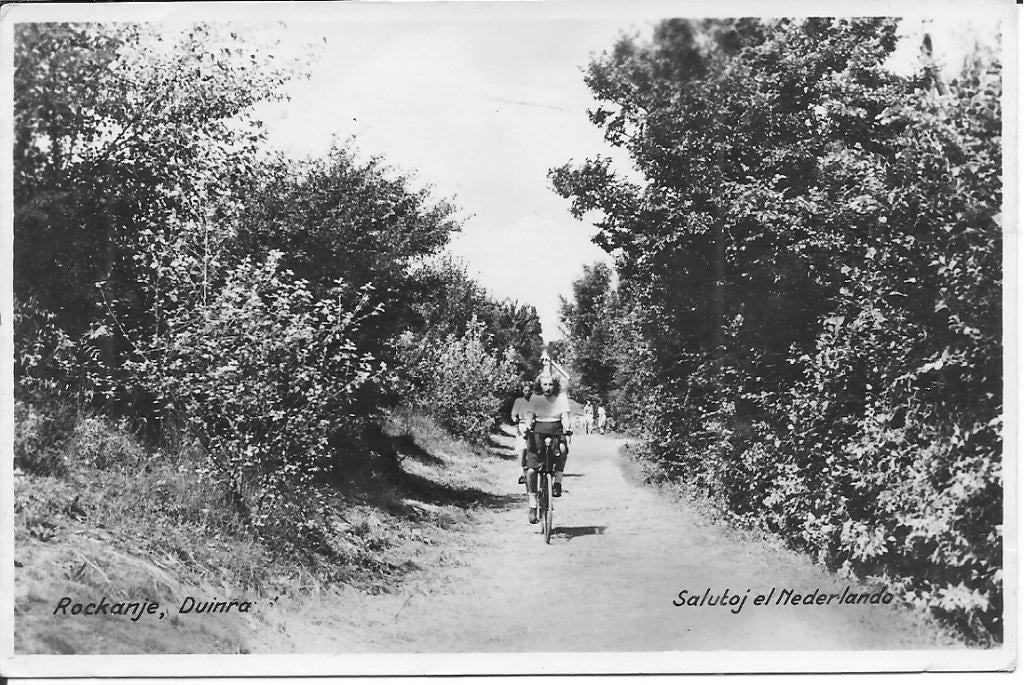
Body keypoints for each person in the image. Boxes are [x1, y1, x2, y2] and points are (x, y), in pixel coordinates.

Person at [523, 373, 571, 524]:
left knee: (563, 450)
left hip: (556, 430)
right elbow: (530, 416)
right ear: (540, 385)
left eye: (550, 384)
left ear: (554, 385)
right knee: (531, 470)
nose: (548, 388)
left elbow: (565, 416)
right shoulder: (535, 398)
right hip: (538, 431)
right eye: (544, 384)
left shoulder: (561, 398)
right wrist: (527, 426)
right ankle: (532, 504)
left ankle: (557, 482)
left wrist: (567, 428)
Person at [509, 379, 533, 486]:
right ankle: (521, 474)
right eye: (526, 390)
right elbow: (513, 414)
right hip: (522, 425)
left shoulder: (535, 401)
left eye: (529, 390)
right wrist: (515, 419)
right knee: (522, 450)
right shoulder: (518, 401)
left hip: (533, 425)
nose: (528, 392)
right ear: (522, 391)